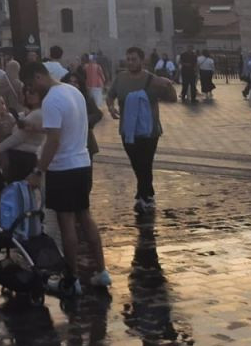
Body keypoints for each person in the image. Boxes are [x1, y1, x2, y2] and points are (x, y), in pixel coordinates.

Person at [25, 62, 110, 292]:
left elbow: (53, 140)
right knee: (85, 216)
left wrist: (38, 171)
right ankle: (101, 271)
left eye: (32, 85)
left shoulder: (51, 100)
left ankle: (72, 279)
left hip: (63, 168)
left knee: (67, 224)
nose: (32, 90)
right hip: (82, 162)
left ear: (39, 76)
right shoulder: (74, 92)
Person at [106, 47, 177, 213]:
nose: (130, 62)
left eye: (134, 59)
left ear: (142, 60)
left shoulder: (152, 79)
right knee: (136, 163)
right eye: (128, 59)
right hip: (127, 130)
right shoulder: (120, 78)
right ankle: (145, 192)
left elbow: (173, 98)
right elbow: (110, 95)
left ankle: (145, 196)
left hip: (149, 130)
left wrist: (167, 84)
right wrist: (110, 108)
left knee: (145, 163)